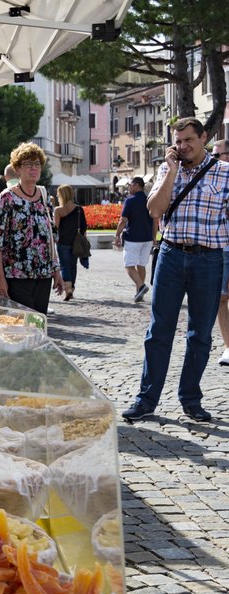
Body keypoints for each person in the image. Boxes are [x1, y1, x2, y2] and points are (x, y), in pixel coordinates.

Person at [123, 118, 229, 423]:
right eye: (178, 141)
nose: (183, 146)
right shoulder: (168, 170)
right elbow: (155, 210)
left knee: (200, 335)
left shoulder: (224, 173)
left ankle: (191, 399)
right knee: (159, 331)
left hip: (209, 260)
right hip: (170, 255)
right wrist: (170, 170)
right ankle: (146, 400)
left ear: (204, 138)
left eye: (188, 140)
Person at [0, 142, 64, 315]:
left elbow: (50, 238)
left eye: (37, 163)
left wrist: (56, 271)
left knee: (37, 324)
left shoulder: (44, 196)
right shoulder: (6, 198)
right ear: (18, 168)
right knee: (21, 327)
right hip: (15, 276)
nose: (33, 167)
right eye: (27, 164)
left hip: (42, 275)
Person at [114, 176, 158, 302]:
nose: (128, 187)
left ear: (137, 185)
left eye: (130, 184)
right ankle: (139, 293)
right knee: (142, 264)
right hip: (147, 238)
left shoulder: (130, 201)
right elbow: (155, 220)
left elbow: (123, 220)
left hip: (133, 238)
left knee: (129, 265)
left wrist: (117, 235)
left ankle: (141, 286)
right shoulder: (150, 199)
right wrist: (154, 236)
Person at [53, 184, 86, 301]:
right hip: (76, 242)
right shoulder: (79, 209)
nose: (57, 195)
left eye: (58, 193)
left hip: (62, 242)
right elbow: (83, 229)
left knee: (64, 266)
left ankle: (68, 289)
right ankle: (71, 287)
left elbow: (55, 228)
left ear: (62, 195)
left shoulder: (58, 210)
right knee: (73, 266)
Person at [213, 140, 229, 367]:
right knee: (221, 298)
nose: (213, 159)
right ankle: (228, 347)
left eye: (217, 155)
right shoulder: (214, 179)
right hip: (222, 247)